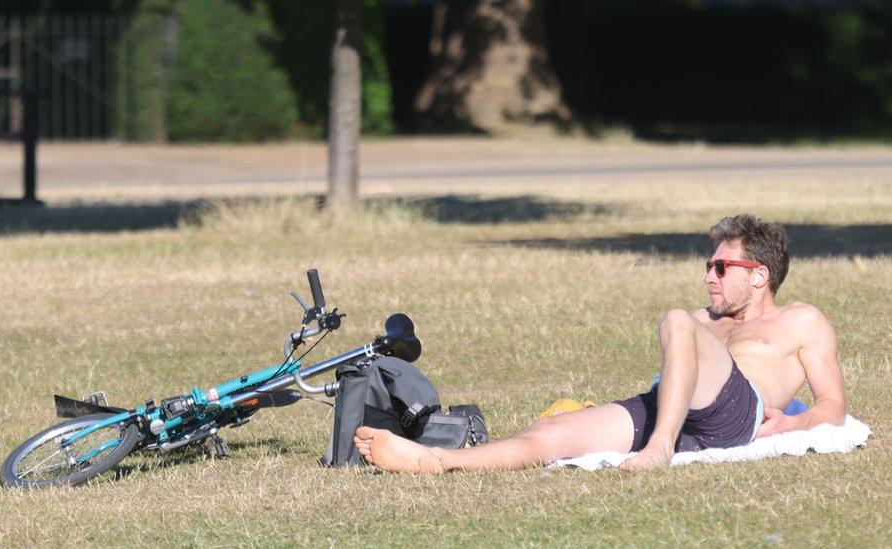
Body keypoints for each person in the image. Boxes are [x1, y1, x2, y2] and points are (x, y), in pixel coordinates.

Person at [354, 214, 847, 473]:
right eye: (707, 265)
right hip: (673, 411)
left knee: (678, 320)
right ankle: (438, 462)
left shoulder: (801, 320)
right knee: (554, 431)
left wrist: (794, 422)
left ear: (760, 275)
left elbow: (834, 407)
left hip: (734, 416)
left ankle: (657, 451)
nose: (708, 277)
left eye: (721, 267)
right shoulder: (705, 321)